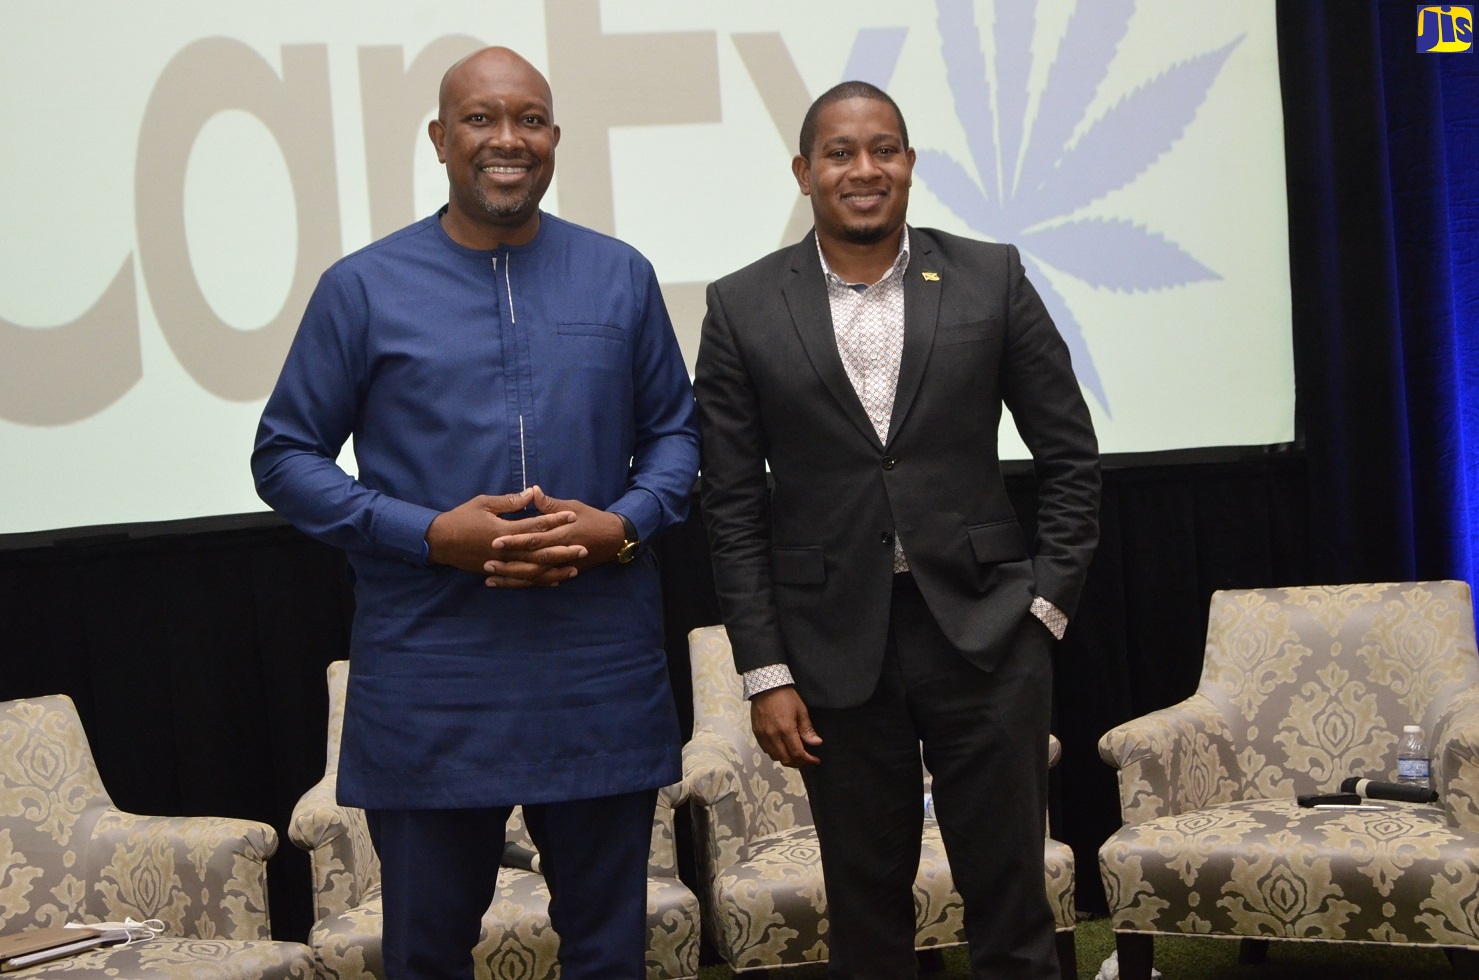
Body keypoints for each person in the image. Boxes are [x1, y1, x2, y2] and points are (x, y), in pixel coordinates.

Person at [252, 47, 699, 980]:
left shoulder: (619, 275)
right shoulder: (363, 287)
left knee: (612, 953)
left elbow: (677, 436)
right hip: (433, 672)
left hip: (596, 668)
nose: (507, 139)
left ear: (554, 138)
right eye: (482, 120)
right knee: (424, 954)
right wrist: (423, 534)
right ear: (440, 139)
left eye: (529, 119)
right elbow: (285, 456)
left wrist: (624, 522)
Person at [694, 81, 1100, 979]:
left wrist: (1044, 611)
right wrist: (765, 671)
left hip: (988, 635)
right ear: (804, 172)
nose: (863, 169)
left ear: (909, 164)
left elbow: (1069, 454)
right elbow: (728, 505)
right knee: (867, 914)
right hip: (833, 648)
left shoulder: (990, 275)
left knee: (1011, 904)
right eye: (839, 153)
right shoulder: (741, 307)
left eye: (883, 148)